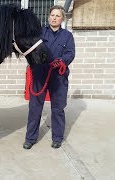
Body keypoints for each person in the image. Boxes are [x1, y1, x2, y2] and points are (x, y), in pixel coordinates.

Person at [23, 5, 75, 149]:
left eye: (58, 16)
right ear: (48, 17)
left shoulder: (67, 36)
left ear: (62, 19)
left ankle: (57, 138)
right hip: (40, 74)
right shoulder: (40, 33)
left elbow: (70, 53)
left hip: (58, 76)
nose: (54, 18)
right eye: (52, 15)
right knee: (35, 107)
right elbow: (31, 49)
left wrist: (62, 61)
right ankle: (30, 138)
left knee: (58, 108)